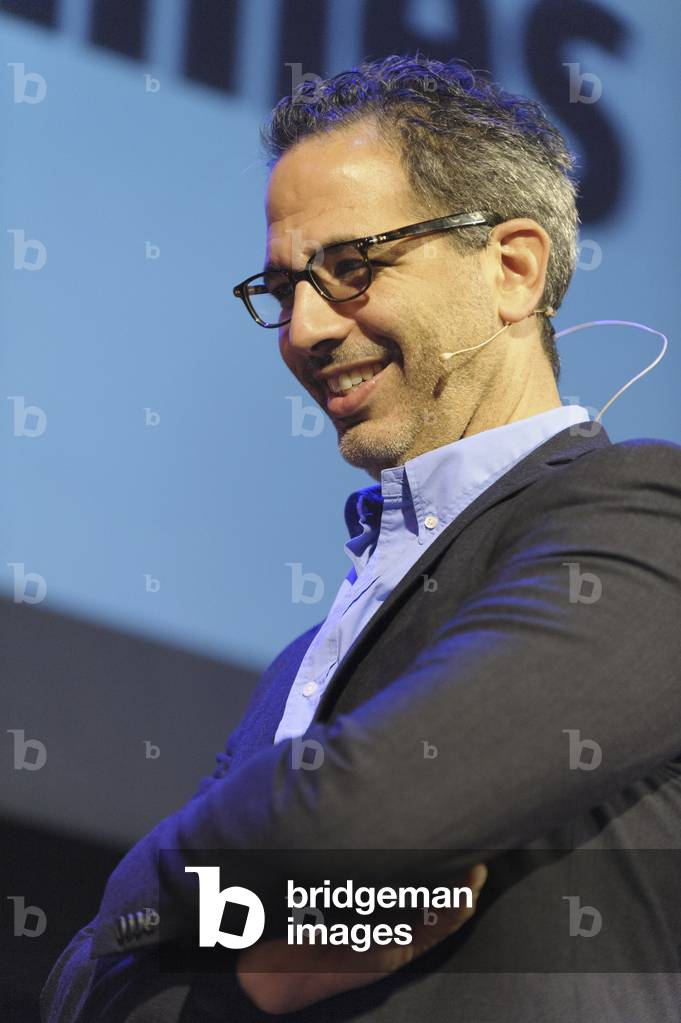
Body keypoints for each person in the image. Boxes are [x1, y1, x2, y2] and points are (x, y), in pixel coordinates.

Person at [41, 54, 681, 1022]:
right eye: (282, 288)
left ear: (513, 269)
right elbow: (84, 983)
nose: (303, 330)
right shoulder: (296, 666)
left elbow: (364, 815)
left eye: (350, 269)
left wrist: (154, 891)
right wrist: (249, 971)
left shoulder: (644, 515)